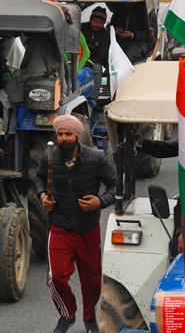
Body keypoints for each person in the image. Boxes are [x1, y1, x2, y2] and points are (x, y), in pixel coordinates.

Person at [35, 115, 115, 333]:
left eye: (68, 134)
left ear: (77, 135)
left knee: (91, 281)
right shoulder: (49, 157)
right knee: (56, 277)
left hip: (88, 229)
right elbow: (39, 178)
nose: (63, 138)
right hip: (60, 226)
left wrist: (100, 201)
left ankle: (89, 318)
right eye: (60, 134)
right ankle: (67, 314)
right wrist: (43, 195)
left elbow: (114, 186)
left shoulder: (96, 158)